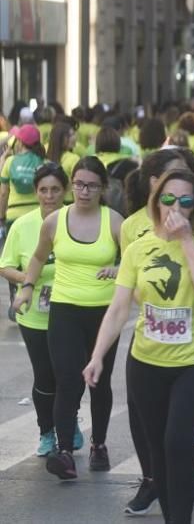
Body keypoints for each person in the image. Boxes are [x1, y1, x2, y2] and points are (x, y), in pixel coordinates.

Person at [83, 168, 194, 524]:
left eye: (186, 200)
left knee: (178, 442)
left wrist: (187, 240)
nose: (176, 206)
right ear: (156, 200)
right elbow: (117, 309)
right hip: (146, 363)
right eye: (169, 198)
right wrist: (98, 355)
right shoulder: (138, 248)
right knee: (158, 452)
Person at [13, 157, 124, 480]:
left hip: (104, 314)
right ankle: (63, 452)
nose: (83, 191)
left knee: (99, 382)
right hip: (64, 310)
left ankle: (99, 444)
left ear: (102, 188)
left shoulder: (114, 221)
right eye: (78, 184)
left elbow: (134, 257)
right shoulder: (56, 221)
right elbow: (36, 258)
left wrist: (118, 269)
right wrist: (27, 289)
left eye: (91, 185)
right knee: (68, 380)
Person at [2, 165, 84, 456]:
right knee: (46, 377)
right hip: (36, 314)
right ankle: (46, 431)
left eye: (55, 190)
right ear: (36, 192)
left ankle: (69, 421)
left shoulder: (78, 219)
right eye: (43, 190)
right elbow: (5, 265)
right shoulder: (22, 226)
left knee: (74, 375)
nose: (49, 196)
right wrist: (28, 279)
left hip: (75, 311)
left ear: (66, 191)